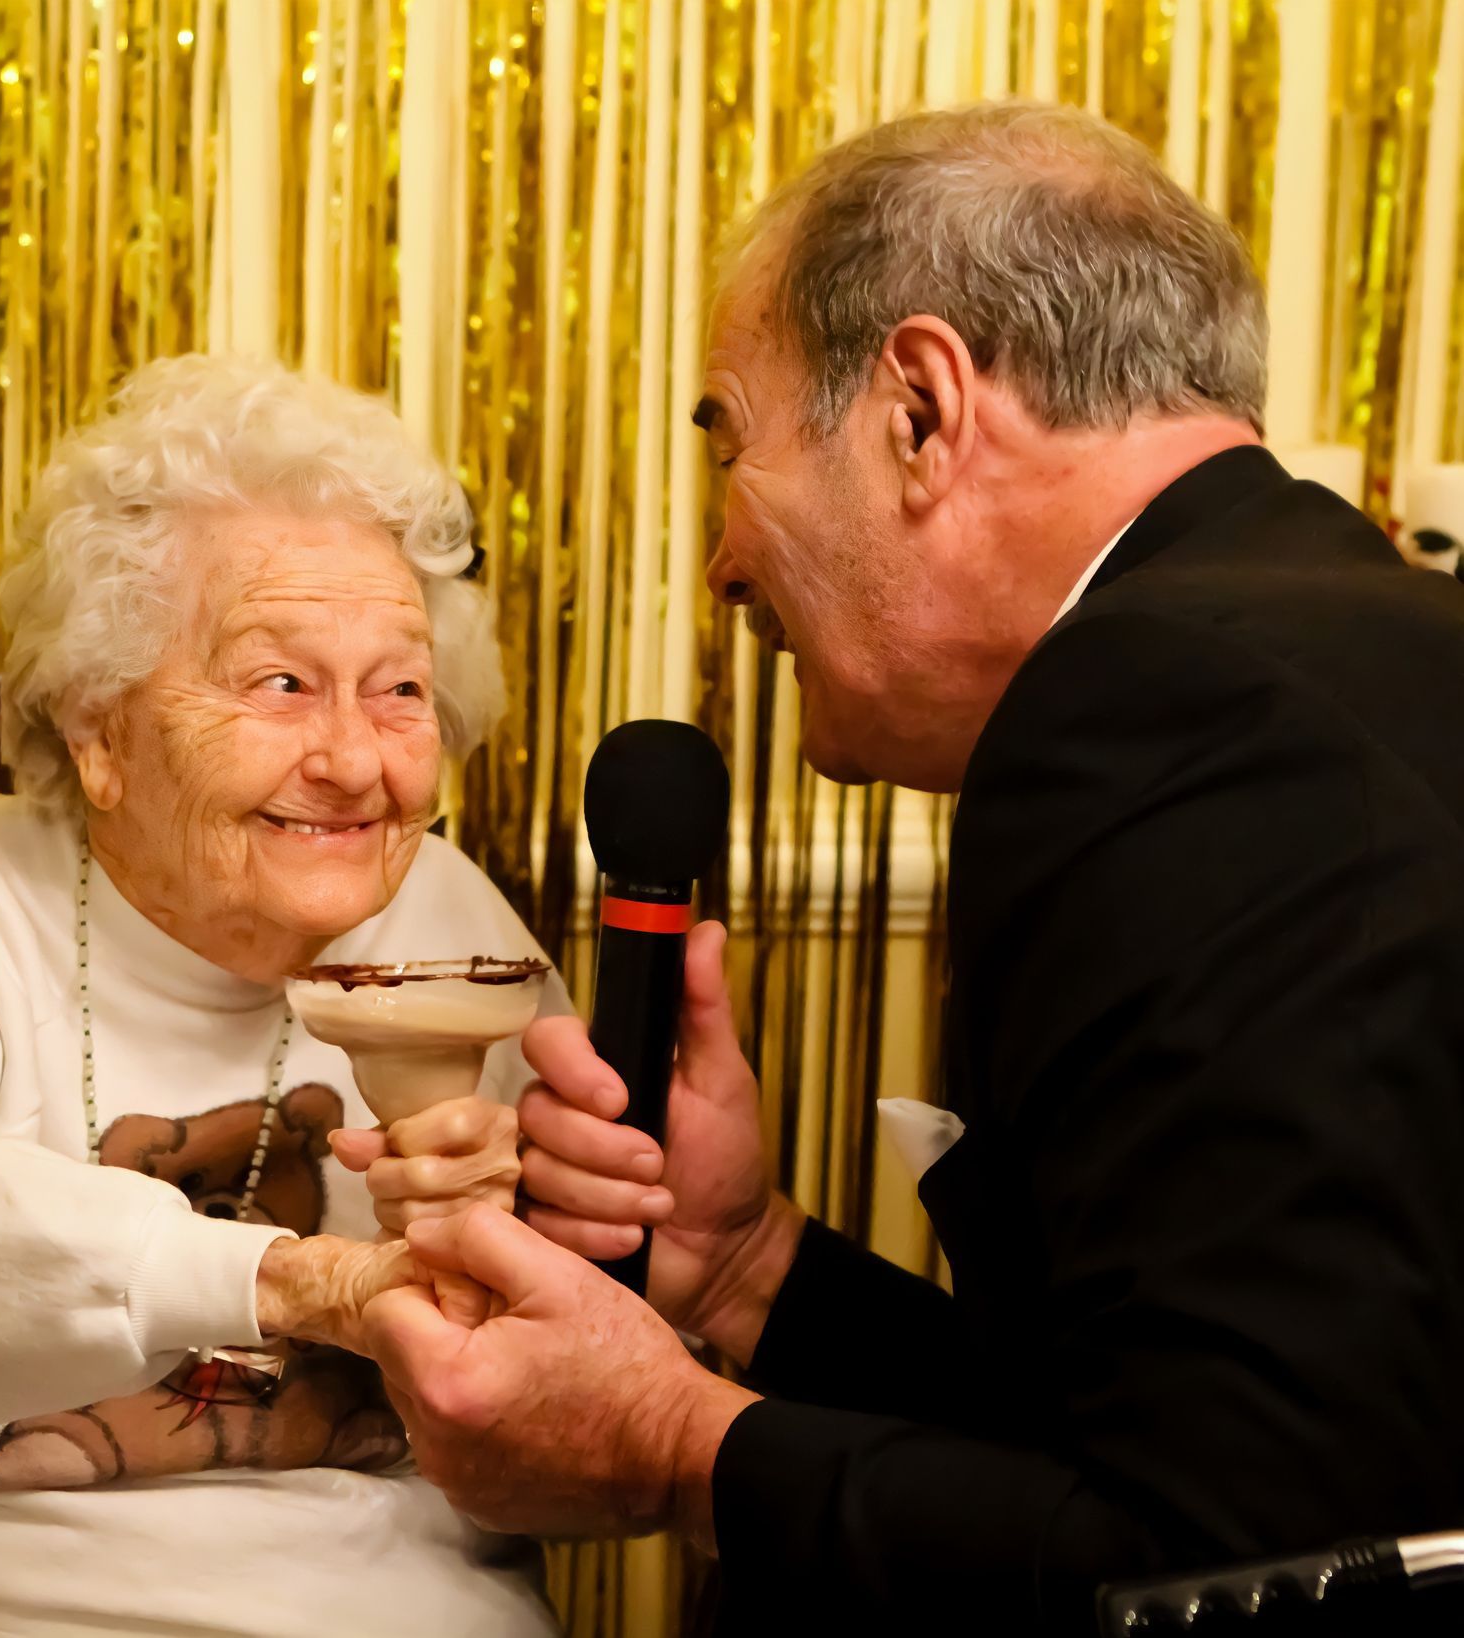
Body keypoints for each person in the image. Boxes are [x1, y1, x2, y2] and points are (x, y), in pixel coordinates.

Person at [327, 102, 1464, 1632]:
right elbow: (1145, 1434)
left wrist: (674, 1444)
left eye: (728, 439)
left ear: (919, 410)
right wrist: (744, 1266)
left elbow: (1221, 1568)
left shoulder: (1167, 714)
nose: (721, 559)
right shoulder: (1314, 630)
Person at [0, 356, 569, 1636]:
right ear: (100, 731)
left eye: (398, 689)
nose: (351, 761)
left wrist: (550, 1250)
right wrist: (299, 1281)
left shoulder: (453, 924)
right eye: (280, 683)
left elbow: (575, 1422)